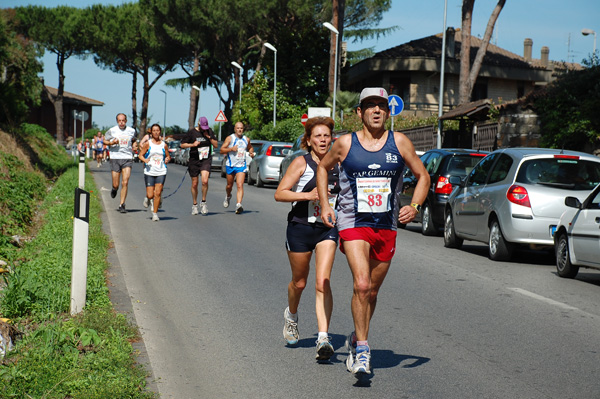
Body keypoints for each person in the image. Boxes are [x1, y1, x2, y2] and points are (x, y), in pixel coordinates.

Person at [316, 88, 430, 377]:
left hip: (386, 225)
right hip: (353, 222)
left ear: (388, 112)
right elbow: (322, 169)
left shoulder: (400, 142)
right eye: (370, 106)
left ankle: (355, 337)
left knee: (373, 291)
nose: (376, 111)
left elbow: (423, 176)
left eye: (381, 106)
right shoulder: (344, 144)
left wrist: (414, 206)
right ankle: (363, 350)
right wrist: (326, 205)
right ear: (360, 113)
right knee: (363, 285)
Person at [274, 116, 340, 361]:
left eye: (326, 136)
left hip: (327, 229)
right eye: (318, 136)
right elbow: (280, 194)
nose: (323, 140)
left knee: (323, 281)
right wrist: (309, 195)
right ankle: (291, 316)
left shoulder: (339, 163)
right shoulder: (301, 163)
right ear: (309, 141)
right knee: (299, 283)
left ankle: (323, 337)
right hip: (300, 227)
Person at [181, 117, 218, 215]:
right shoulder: (192, 132)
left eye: (205, 127)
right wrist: (192, 145)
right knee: (194, 183)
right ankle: (194, 204)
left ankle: (204, 202)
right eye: (202, 127)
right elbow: (182, 145)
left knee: (205, 181)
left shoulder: (209, 131)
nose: (203, 129)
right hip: (194, 160)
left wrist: (209, 137)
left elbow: (216, 145)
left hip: (205, 159)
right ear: (198, 124)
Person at [104, 113, 138, 213]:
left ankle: (122, 204)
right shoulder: (112, 130)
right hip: (115, 157)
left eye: (123, 120)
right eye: (119, 121)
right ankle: (114, 189)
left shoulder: (132, 131)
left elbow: (134, 140)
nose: (121, 122)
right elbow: (104, 141)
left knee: (125, 182)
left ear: (126, 121)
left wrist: (135, 145)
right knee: (116, 184)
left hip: (127, 157)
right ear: (117, 121)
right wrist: (111, 143)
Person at [220, 122, 255, 214]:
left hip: (241, 165)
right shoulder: (230, 138)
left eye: (241, 128)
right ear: (235, 129)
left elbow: (250, 148)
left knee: (240, 185)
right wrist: (231, 149)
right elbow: (221, 150)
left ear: (243, 129)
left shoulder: (246, 139)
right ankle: (228, 196)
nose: (240, 130)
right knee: (229, 185)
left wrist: (251, 153)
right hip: (231, 165)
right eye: (238, 128)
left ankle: (238, 204)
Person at [138, 124, 170, 221]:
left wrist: (167, 159)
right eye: (154, 130)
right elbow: (140, 155)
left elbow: (168, 156)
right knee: (150, 195)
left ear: (160, 132)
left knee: (158, 193)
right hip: (149, 172)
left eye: (157, 130)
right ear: (151, 132)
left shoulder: (164, 145)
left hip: (161, 171)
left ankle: (155, 214)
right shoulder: (148, 143)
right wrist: (145, 160)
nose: (156, 132)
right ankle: (148, 198)